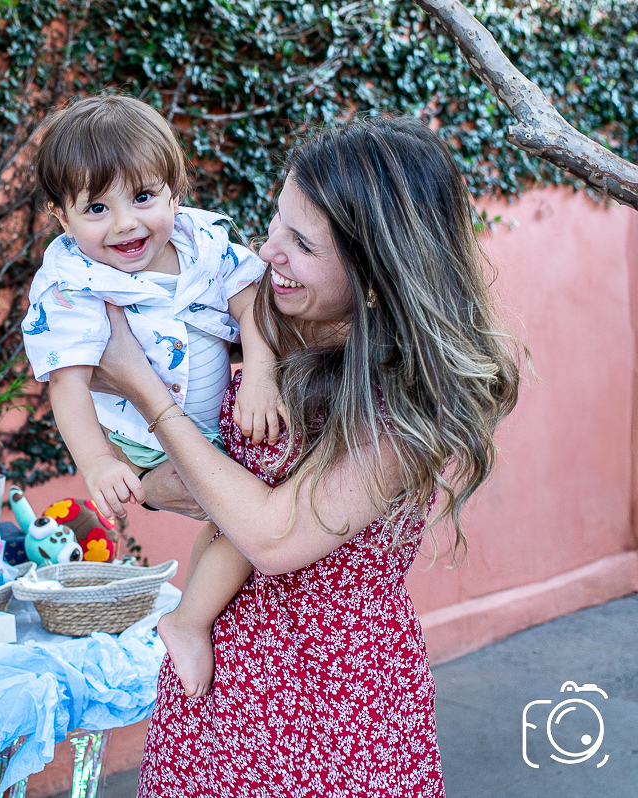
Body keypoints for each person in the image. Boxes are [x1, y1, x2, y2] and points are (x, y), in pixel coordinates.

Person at [88, 116, 521, 795]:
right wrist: (149, 478)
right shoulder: (274, 324)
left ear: (378, 267)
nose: (266, 252)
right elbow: (203, 479)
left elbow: (273, 535)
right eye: (275, 227)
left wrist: (145, 393)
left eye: (300, 242)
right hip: (216, 682)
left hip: (332, 702)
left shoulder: (407, 402)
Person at [21, 95, 282, 695]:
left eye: (142, 198)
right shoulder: (74, 285)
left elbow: (251, 302)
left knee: (238, 514)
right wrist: (97, 462)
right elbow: (68, 383)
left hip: (215, 424)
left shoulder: (201, 244)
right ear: (61, 217)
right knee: (242, 512)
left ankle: (191, 619)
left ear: (173, 191)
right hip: (141, 442)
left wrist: (262, 373)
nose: (126, 225)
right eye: (96, 208)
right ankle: (189, 623)